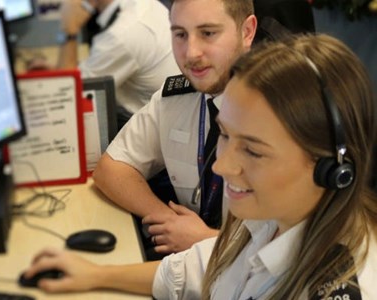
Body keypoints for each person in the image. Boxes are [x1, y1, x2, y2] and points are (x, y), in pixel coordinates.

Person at [21, 34, 377, 299]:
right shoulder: (269, 219)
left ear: (333, 167)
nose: (221, 166)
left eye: (253, 151)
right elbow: (196, 270)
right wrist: (96, 275)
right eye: (225, 135)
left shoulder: (339, 286)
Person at [92, 0, 257, 255]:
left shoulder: (283, 114)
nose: (191, 53)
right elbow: (111, 169)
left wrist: (207, 241)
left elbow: (299, 247)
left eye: (208, 33)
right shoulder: (175, 99)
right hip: (185, 270)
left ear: (247, 32)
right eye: (180, 34)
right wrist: (171, 222)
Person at [31, 0, 178, 125]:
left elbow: (66, 98)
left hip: (152, 131)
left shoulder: (121, 34)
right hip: (168, 116)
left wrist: (69, 31)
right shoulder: (142, 6)